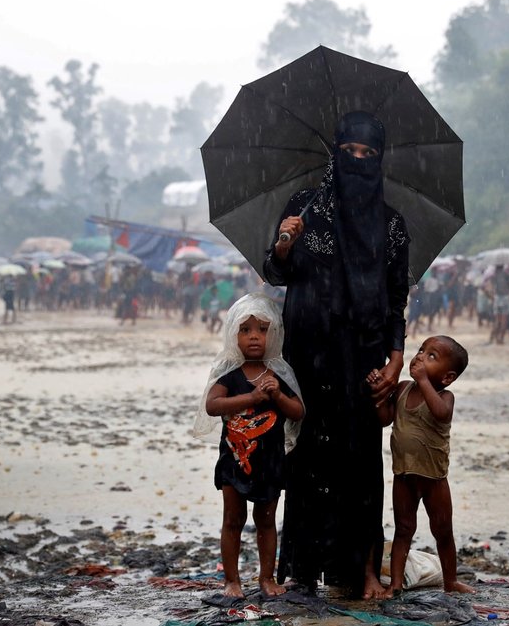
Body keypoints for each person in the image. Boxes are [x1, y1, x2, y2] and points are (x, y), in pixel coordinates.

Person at [264, 111, 409, 598]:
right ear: (336, 154)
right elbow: (276, 273)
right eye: (350, 152)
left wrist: (395, 359)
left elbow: (396, 300)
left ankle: (364, 569)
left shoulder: (391, 227)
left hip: (362, 357)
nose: (358, 161)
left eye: (369, 155)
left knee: (360, 459)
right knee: (306, 456)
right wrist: (286, 243)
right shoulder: (304, 207)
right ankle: (302, 567)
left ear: (380, 160)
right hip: (307, 354)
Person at [193, 293, 305, 598]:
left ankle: (266, 578)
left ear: (275, 334)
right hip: (234, 461)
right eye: (245, 330)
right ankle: (232, 580)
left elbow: (298, 412)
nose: (254, 337)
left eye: (262, 329)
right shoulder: (229, 372)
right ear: (233, 335)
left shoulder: (280, 374)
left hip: (270, 462)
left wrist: (278, 397)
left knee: (266, 521)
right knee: (233, 519)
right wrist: (251, 398)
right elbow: (213, 405)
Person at [374, 335, 475, 597]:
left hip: (434, 479)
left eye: (431, 356)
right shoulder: (403, 388)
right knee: (403, 529)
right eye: (421, 350)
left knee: (443, 530)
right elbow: (385, 420)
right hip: (404, 475)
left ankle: (450, 581)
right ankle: (395, 584)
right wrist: (379, 397)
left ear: (447, 377)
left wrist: (422, 381)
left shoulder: (445, 396)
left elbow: (441, 413)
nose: (420, 356)